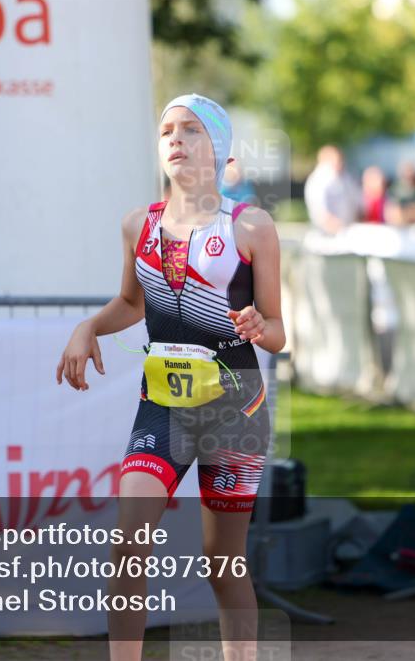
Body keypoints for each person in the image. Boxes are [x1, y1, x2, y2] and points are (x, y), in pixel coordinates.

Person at [55, 93, 285, 661]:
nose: (176, 139)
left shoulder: (251, 226)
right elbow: (131, 303)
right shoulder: (140, 224)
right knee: (130, 536)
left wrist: (260, 325)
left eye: (191, 130)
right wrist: (89, 326)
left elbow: (279, 331)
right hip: (162, 405)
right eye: (167, 132)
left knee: (222, 562)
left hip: (236, 409)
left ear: (220, 148)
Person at [304, 145, 360, 234]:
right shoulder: (318, 180)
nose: (340, 163)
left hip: (345, 230)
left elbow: (357, 202)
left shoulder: (345, 178)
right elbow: (321, 213)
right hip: (326, 234)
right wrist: (339, 229)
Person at [385, 161, 415, 225]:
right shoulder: (395, 189)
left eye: (411, 173)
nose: (409, 175)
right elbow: (392, 213)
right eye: (407, 172)